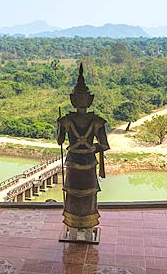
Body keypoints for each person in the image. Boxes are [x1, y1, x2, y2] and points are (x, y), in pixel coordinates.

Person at [57, 64, 110, 239]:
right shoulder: (97, 121)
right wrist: (89, 148)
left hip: (73, 161)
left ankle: (74, 227)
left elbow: (59, 141)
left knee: (73, 193)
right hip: (87, 163)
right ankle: (85, 228)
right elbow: (103, 145)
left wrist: (60, 126)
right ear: (90, 100)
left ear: (73, 99)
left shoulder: (66, 120)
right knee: (86, 194)